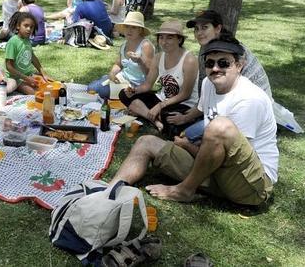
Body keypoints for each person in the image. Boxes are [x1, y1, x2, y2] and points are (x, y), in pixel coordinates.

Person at [110, 37, 278, 206]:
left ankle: (184, 190)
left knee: (219, 126)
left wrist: (187, 146)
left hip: (250, 185)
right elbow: (210, 141)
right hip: (216, 171)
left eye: (224, 63)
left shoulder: (249, 99)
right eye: (209, 63)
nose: (215, 68)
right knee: (146, 142)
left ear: (239, 65)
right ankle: (109, 191)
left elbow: (233, 159)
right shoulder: (208, 84)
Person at [167, 10, 273, 141]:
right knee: (185, 132)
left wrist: (185, 119)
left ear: (218, 28)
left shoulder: (233, 51)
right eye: (196, 29)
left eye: (205, 27)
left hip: (248, 113)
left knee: (190, 136)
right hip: (225, 108)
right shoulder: (209, 50)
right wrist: (185, 117)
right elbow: (207, 98)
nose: (199, 33)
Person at [119, 20, 198, 137]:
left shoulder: (189, 60)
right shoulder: (158, 57)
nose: (164, 42)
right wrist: (134, 91)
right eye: (161, 37)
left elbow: (185, 94)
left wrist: (160, 106)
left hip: (183, 103)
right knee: (123, 94)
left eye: (169, 38)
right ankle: (155, 120)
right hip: (162, 99)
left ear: (179, 40)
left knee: (168, 119)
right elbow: (147, 85)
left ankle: (147, 113)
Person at [87, 11, 155, 100]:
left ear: (140, 30)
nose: (129, 30)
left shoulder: (146, 46)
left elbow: (149, 73)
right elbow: (118, 64)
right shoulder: (124, 45)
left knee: (101, 91)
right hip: (122, 79)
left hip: (135, 86)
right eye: (127, 26)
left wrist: (139, 61)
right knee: (91, 88)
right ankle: (106, 79)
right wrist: (112, 73)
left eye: (133, 27)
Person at [5, 12, 52, 95]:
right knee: (36, 93)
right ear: (18, 26)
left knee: (49, 85)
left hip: (27, 75)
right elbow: (9, 67)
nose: (29, 29)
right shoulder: (12, 42)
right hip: (15, 78)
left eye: (31, 27)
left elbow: (33, 57)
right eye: (26, 25)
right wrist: (26, 79)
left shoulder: (27, 40)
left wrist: (44, 74)